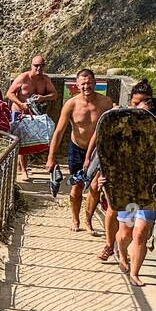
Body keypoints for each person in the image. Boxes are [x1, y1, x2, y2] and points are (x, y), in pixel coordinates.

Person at [110, 96, 156, 287]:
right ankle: (122, 252)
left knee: (141, 232)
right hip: (129, 187)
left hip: (154, 190)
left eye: (143, 113)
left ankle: (135, 273)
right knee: (125, 232)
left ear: (155, 117)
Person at [87, 80, 153, 263]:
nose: (139, 107)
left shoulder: (151, 120)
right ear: (131, 99)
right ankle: (109, 245)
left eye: (144, 102)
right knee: (113, 208)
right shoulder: (116, 114)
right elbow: (101, 138)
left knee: (130, 210)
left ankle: (123, 245)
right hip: (113, 166)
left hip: (137, 172)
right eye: (136, 102)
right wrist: (92, 163)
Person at [46, 69, 113, 233]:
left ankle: (88, 220)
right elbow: (59, 131)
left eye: (89, 82)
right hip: (77, 149)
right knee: (77, 187)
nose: (86, 86)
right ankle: (75, 218)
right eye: (82, 83)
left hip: (98, 151)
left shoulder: (106, 103)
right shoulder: (71, 104)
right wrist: (51, 157)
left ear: (95, 83)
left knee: (95, 186)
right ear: (77, 85)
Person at [5, 56, 55, 179]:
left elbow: (54, 95)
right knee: (22, 140)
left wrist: (43, 98)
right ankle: (23, 170)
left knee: (38, 138)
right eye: (36, 65)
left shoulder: (45, 79)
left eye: (41, 65)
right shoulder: (23, 78)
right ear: (31, 65)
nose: (39, 68)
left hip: (34, 114)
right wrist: (20, 104)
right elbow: (9, 93)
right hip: (19, 113)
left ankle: (25, 166)